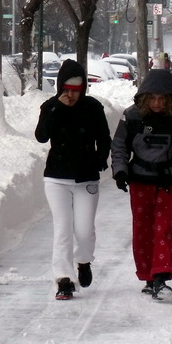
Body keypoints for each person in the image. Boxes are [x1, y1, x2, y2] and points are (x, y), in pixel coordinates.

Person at [111, 69, 172, 298]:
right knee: (142, 229)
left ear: (170, 99)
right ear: (144, 98)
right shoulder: (131, 117)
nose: (156, 103)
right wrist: (121, 172)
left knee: (163, 229)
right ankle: (147, 275)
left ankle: (161, 276)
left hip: (169, 182)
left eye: (162, 99)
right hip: (140, 182)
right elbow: (119, 146)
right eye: (152, 98)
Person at [34, 59, 112, 300]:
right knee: (63, 229)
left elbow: (104, 138)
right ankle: (64, 279)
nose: (71, 95)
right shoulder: (50, 106)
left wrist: (100, 158)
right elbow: (41, 136)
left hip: (86, 178)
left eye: (76, 91)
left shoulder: (92, 107)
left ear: (83, 89)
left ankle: (84, 261)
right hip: (56, 178)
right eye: (66, 90)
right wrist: (57, 108)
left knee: (85, 230)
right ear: (60, 88)